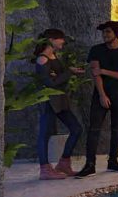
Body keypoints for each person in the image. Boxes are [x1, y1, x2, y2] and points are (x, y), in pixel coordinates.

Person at [76, 21, 118, 178]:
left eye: (108, 32)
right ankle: (90, 164)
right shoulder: (96, 50)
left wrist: (103, 70)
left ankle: (113, 161)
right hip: (101, 93)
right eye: (103, 33)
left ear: (116, 34)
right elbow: (96, 74)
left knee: (117, 129)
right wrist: (102, 95)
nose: (105, 35)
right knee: (94, 129)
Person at [34, 29, 84, 180]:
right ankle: (45, 169)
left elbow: (58, 77)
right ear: (51, 40)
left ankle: (64, 163)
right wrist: (68, 72)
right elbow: (51, 83)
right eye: (61, 39)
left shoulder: (54, 56)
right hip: (49, 100)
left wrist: (68, 72)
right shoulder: (42, 59)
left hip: (60, 100)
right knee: (45, 133)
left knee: (76, 129)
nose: (63, 41)